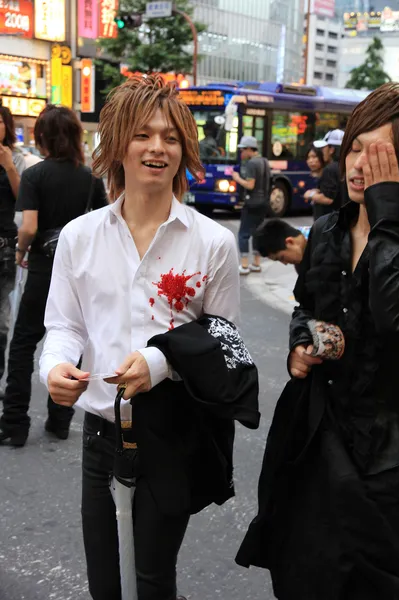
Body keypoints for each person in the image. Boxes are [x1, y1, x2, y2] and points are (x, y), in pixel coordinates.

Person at [37, 75, 256, 600]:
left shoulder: (213, 242)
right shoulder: (79, 236)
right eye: (142, 134)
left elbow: (224, 341)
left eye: (171, 137)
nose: (157, 147)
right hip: (101, 431)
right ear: (116, 145)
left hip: (172, 431)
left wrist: (160, 362)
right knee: (106, 583)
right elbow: (64, 325)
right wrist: (54, 367)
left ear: (183, 150)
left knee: (153, 578)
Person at [236, 82, 399, 598]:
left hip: (389, 453)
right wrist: (301, 344)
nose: (357, 165)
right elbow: (306, 305)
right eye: (354, 147)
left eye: (375, 154)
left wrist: (388, 217)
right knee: (309, 570)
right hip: (322, 434)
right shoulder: (327, 229)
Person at [0, 105, 108, 448]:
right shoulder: (90, 178)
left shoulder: (35, 175)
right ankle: (59, 419)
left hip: (44, 268)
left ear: (42, 137)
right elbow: (103, 223)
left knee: (23, 345)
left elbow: (28, 226)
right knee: (70, 339)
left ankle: (14, 424)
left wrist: (21, 251)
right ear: (76, 136)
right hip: (77, 271)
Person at [0, 107, 26, 399]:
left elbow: (23, 201)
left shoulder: (15, 158)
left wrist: (8, 166)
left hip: (4, 244)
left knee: (2, 320)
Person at [232, 135, 271, 275]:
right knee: (257, 233)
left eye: (243, 150)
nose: (241, 153)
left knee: (243, 234)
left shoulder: (251, 164)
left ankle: (244, 265)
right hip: (264, 203)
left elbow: (250, 184)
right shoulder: (265, 161)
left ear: (249, 149)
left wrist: (236, 178)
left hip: (252, 203)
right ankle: (256, 263)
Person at [310, 128, 344, 220]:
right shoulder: (346, 166)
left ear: (331, 150)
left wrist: (310, 195)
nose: (321, 151)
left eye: (324, 148)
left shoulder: (330, 169)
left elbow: (328, 198)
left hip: (329, 223)